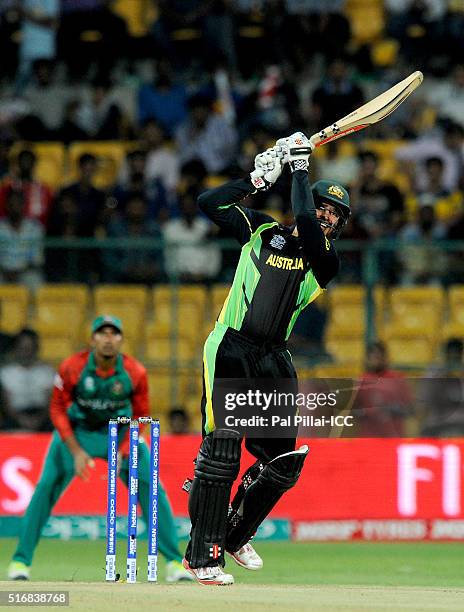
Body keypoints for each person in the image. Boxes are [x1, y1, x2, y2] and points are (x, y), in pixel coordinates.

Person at [182, 132, 350, 585]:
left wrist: (299, 171)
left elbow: (305, 223)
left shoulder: (324, 260)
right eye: (324, 207)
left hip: (273, 358)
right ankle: (202, 556)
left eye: (336, 216)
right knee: (222, 452)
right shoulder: (258, 229)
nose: (327, 217)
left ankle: (235, 534)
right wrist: (257, 179)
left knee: (283, 462)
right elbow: (208, 202)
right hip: (230, 346)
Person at [7, 315, 192, 583]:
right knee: (45, 489)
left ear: (121, 339)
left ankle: (174, 562)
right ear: (93, 339)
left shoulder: (134, 371)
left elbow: (141, 415)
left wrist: (123, 450)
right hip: (78, 433)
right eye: (102, 333)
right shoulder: (73, 367)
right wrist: (75, 451)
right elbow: (57, 408)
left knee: (152, 488)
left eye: (114, 333)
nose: (108, 338)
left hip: (121, 433)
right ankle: (20, 560)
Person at [353, 341, 413, 438]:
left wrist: (392, 409)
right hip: (369, 438)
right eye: (373, 357)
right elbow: (353, 411)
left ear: (386, 358)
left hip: (393, 437)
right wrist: (370, 412)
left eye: (379, 356)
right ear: (367, 359)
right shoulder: (361, 380)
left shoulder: (397, 379)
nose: (376, 360)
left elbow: (409, 410)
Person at [0, 328, 54, 432]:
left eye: (29, 347)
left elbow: (50, 401)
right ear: (15, 348)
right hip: (14, 417)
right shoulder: (6, 372)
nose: (26, 352)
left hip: (42, 417)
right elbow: (6, 404)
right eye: (22, 347)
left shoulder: (47, 371)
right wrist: (21, 420)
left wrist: (39, 420)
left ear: (36, 348)